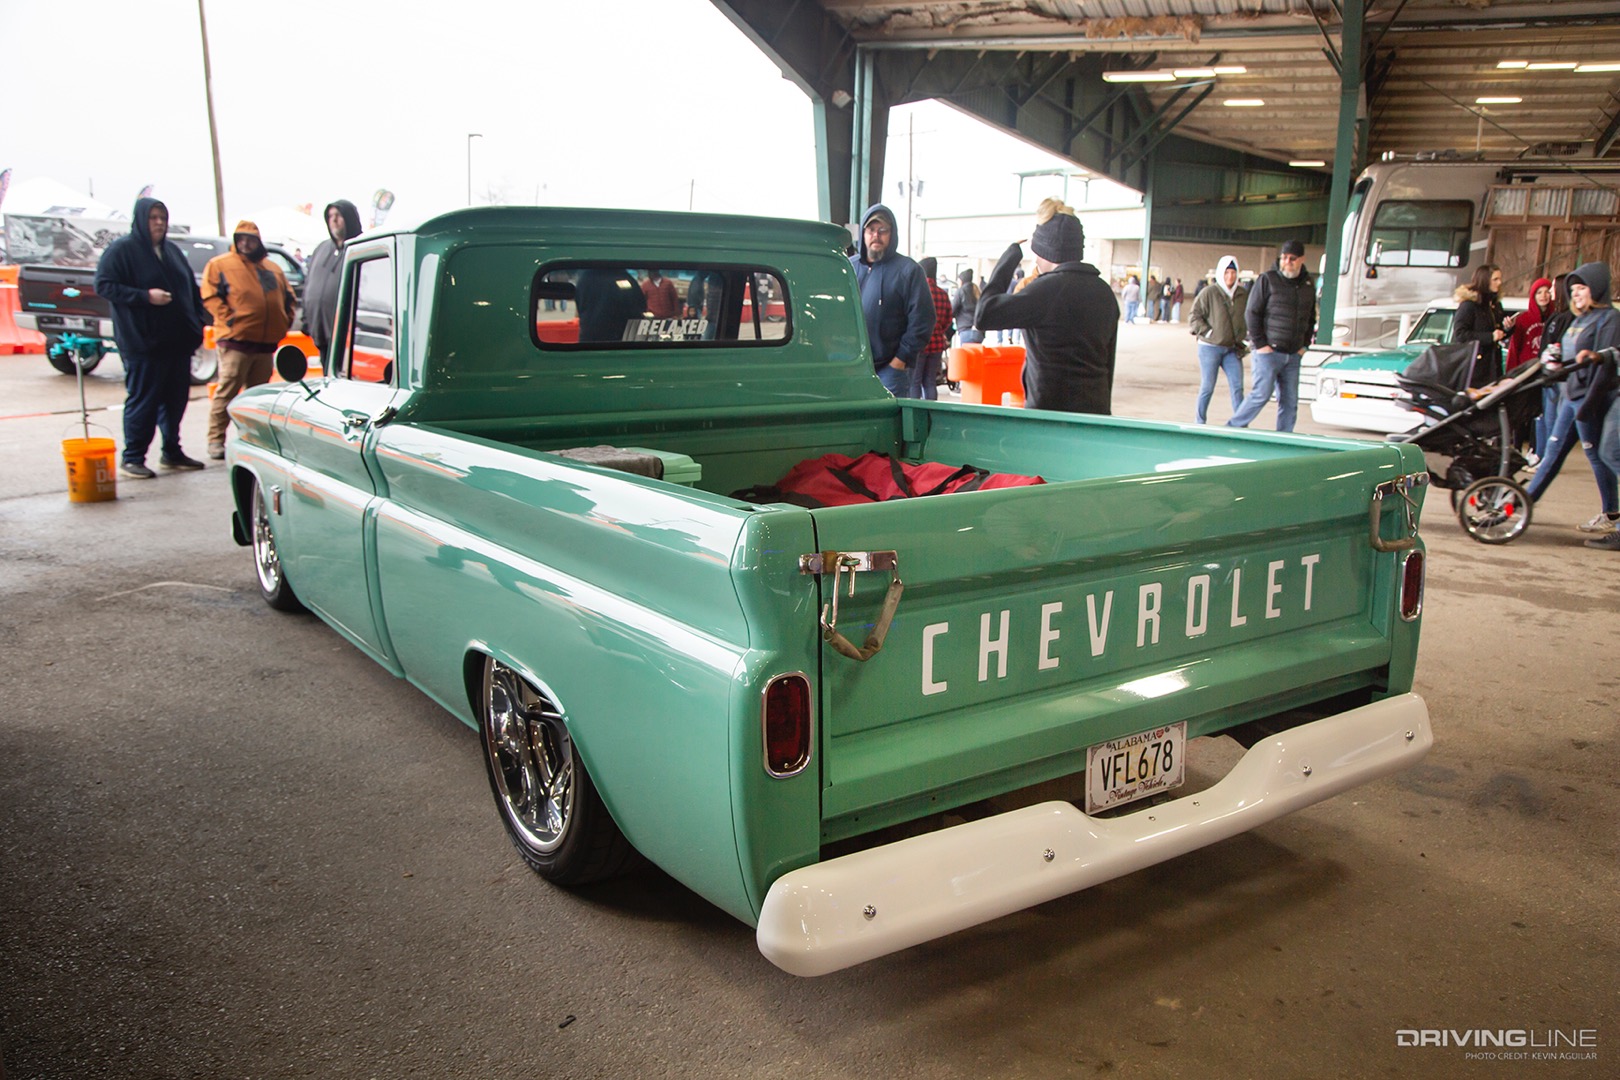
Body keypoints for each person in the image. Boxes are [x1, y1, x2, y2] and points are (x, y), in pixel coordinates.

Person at [94, 197, 207, 479]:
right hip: (143, 343)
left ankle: (172, 451)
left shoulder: (171, 251)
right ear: (141, 220)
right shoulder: (122, 250)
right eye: (153, 218)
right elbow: (104, 285)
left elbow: (189, 290)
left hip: (177, 342)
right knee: (143, 400)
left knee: (175, 400)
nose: (159, 223)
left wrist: (198, 321)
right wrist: (144, 297)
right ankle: (133, 457)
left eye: (163, 218)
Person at [973, 197, 1119, 414]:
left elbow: (984, 314)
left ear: (1043, 251)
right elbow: (1109, 364)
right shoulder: (1104, 292)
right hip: (1095, 412)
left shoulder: (1044, 291)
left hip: (1049, 415)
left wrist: (1010, 257)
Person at [1526, 264, 1619, 537]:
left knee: (1600, 453)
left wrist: (1589, 402)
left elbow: (1604, 362)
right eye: (1573, 290)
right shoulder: (1580, 319)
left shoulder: (1610, 319)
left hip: (1590, 398)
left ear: (1598, 289)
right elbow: (1573, 358)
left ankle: (1611, 511)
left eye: (1582, 288)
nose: (1576, 295)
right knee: (1554, 452)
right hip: (1571, 394)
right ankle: (1521, 504)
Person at [200, 221, 297, 459]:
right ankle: (215, 439)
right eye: (241, 238)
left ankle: (254, 438)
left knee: (258, 395)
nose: (245, 243)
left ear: (258, 241)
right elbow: (210, 296)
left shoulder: (273, 268)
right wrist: (230, 319)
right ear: (235, 240)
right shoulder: (220, 265)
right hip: (236, 341)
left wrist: (284, 322)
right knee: (228, 389)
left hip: (265, 344)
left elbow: (289, 298)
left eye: (250, 238)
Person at [1227, 240, 1315, 432]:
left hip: (1293, 354)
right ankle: (1233, 428)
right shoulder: (1268, 279)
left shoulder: (1308, 285)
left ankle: (1284, 437)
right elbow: (1252, 312)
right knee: (1261, 394)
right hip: (1268, 352)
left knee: (1290, 401)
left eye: (1292, 258)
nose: (1287, 262)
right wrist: (1260, 345)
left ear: (1302, 259)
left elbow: (1310, 317)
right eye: (1284, 258)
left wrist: (1304, 345)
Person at [850, 204, 933, 396]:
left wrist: (900, 360)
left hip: (891, 371)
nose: (876, 235)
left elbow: (922, 320)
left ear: (892, 234)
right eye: (871, 230)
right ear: (863, 233)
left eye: (882, 230)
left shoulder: (908, 271)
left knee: (888, 423)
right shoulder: (849, 268)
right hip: (852, 367)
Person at [1187, 255, 1247, 424]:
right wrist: (1209, 333)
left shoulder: (1243, 294)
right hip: (1209, 348)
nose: (1230, 276)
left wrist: (1245, 337)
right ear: (1221, 273)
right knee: (1207, 386)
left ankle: (1241, 424)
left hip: (1232, 349)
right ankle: (1200, 422)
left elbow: (1250, 316)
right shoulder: (1209, 293)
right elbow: (1194, 317)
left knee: (1237, 388)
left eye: (1234, 272)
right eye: (1227, 272)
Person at [303, 200, 363, 368]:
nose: (334, 220)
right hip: (321, 331)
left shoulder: (361, 247)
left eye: (338, 216)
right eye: (330, 216)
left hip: (347, 337)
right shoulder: (322, 249)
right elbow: (309, 284)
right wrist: (306, 320)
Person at [1450, 263, 1514, 385]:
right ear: (1484, 281)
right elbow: (1460, 334)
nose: (1499, 283)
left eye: (1500, 279)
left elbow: (1498, 332)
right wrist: (1490, 337)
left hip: (1493, 364)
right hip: (1475, 367)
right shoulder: (1469, 305)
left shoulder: (1495, 305)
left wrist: (1507, 328)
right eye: (1495, 279)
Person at [912, 257, 952, 400]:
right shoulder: (943, 294)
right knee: (930, 382)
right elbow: (948, 319)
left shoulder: (916, 292)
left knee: (914, 382)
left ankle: (916, 415)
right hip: (936, 344)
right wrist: (938, 331)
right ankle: (930, 414)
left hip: (918, 344)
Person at [952, 269, 982, 345]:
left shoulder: (961, 291)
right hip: (979, 331)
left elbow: (952, 310)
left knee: (967, 356)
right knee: (975, 356)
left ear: (962, 281)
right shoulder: (977, 291)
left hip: (966, 330)